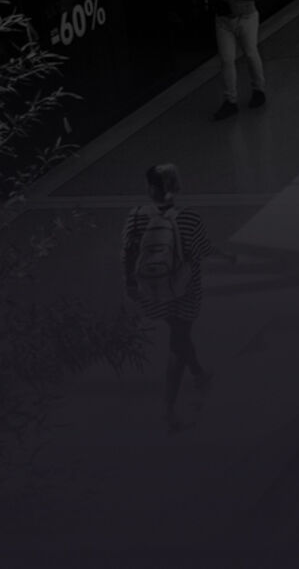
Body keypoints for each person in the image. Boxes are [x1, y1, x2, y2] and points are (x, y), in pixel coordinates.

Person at [123, 163, 217, 433]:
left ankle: (199, 374)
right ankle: (168, 407)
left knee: (178, 333)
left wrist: (129, 282)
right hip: (185, 289)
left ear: (151, 188)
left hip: (153, 290)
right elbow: (201, 250)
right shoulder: (188, 218)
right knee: (178, 341)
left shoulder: (136, 217)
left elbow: (127, 251)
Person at [207, 0, 267, 121]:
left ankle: (259, 90)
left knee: (250, 53)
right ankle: (230, 100)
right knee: (226, 59)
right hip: (224, 19)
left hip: (246, 16)